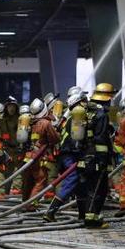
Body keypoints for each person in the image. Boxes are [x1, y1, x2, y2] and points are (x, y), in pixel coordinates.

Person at [42, 92, 87, 221]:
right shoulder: (76, 118)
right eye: (83, 101)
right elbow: (76, 141)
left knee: (80, 183)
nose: (85, 103)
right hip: (71, 155)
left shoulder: (70, 118)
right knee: (72, 179)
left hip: (67, 154)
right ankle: (50, 212)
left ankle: (82, 215)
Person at [78, 83, 117, 228]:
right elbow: (100, 139)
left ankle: (88, 216)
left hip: (84, 156)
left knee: (88, 188)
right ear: (107, 98)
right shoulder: (101, 115)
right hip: (96, 159)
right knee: (98, 189)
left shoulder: (87, 111)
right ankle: (92, 220)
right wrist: (102, 160)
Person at [20, 99, 59, 206]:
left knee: (28, 181)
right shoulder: (45, 123)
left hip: (27, 156)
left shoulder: (30, 122)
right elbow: (55, 139)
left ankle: (25, 203)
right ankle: (31, 205)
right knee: (41, 181)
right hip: (38, 157)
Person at [0, 97, 23, 194]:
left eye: (13, 106)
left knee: (19, 171)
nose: (11, 108)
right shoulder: (2, 120)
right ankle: (6, 192)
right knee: (7, 172)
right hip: (7, 150)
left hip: (18, 149)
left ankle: (17, 190)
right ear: (6, 108)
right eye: (9, 106)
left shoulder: (20, 119)